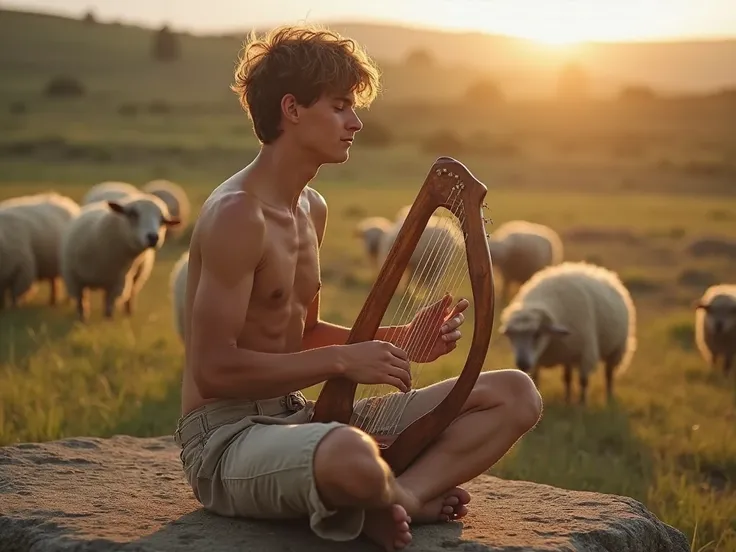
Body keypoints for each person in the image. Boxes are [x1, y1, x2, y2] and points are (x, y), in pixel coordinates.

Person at [173, 24, 543, 552]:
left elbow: (301, 333)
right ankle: (388, 492)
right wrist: (346, 363)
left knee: (515, 393)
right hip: (227, 438)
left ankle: (393, 497)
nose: (356, 121)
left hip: (301, 416)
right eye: (341, 106)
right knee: (348, 452)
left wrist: (400, 338)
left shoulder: (310, 208)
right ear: (292, 109)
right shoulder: (238, 216)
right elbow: (212, 369)